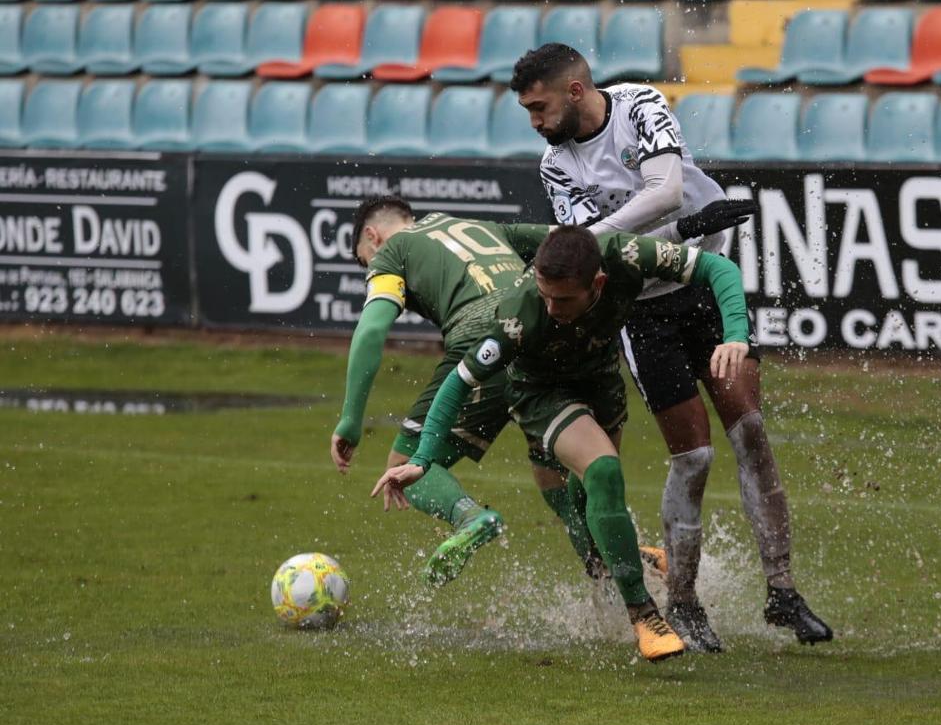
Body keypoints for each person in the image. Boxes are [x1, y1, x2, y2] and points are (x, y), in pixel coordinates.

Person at [509, 43, 832, 651]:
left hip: (702, 281)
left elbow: (664, 190)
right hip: (643, 310)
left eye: (539, 106)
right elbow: (610, 240)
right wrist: (676, 231)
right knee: (695, 457)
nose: (535, 121)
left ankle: (783, 590)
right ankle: (683, 602)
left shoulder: (640, 104)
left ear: (574, 91)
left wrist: (609, 238)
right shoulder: (555, 164)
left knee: (751, 431)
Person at [371, 223, 752, 662]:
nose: (551, 308)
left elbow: (717, 268)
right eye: (545, 294)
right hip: (540, 394)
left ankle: (621, 561)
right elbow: (458, 382)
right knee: (603, 470)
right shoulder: (519, 315)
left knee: (585, 494)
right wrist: (421, 459)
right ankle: (643, 613)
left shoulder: (627, 257)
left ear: (599, 283)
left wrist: (736, 334)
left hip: (601, 380)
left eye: (564, 298)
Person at [333, 197, 607, 586]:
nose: (369, 268)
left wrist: (350, 420)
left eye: (364, 261)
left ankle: (470, 517)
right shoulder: (479, 226)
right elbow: (577, 242)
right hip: (540, 334)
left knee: (403, 461)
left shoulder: (391, 250)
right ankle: (612, 571)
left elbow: (373, 330)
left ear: (372, 237)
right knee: (553, 476)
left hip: (483, 342)